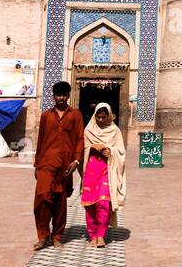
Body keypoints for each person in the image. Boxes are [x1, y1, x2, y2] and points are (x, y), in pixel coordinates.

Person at [32, 81, 83, 250]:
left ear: (69, 95)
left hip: (65, 165)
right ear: (53, 96)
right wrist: (37, 164)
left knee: (60, 202)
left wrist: (76, 161)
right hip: (46, 163)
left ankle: (57, 236)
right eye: (58, 95)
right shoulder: (46, 115)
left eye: (64, 95)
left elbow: (79, 139)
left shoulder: (75, 115)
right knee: (42, 198)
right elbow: (41, 140)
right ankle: (43, 235)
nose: (61, 98)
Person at [79, 102, 127, 248]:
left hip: (107, 171)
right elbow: (82, 149)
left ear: (108, 116)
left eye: (103, 117)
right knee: (90, 205)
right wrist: (92, 147)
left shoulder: (115, 131)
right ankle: (92, 234)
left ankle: (101, 235)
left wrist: (110, 151)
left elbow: (121, 152)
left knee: (104, 204)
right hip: (92, 171)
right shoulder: (88, 131)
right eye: (98, 117)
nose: (100, 120)